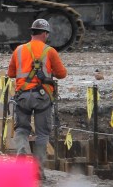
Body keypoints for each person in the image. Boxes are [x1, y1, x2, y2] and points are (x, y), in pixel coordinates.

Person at [6, 19, 68, 180]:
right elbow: (62, 74)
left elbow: (11, 74)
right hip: (42, 97)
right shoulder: (50, 51)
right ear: (44, 33)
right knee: (42, 133)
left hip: (23, 96)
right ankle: (38, 171)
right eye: (47, 34)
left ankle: (21, 154)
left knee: (21, 129)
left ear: (32, 32)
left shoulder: (19, 50)